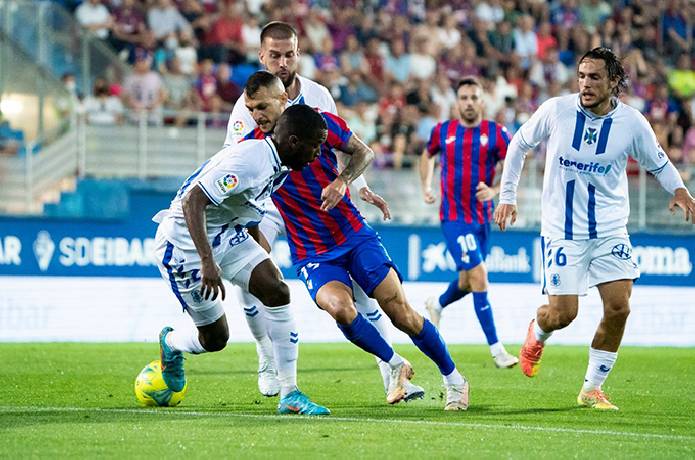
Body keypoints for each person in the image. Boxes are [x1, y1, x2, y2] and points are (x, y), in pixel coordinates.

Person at [241, 77, 470, 411]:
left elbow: (364, 152)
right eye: (250, 109)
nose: (256, 114)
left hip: (352, 233)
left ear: (281, 98)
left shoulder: (318, 122)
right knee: (340, 309)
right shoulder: (254, 149)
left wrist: (342, 180)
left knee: (400, 313)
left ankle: (454, 380)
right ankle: (395, 365)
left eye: (262, 106)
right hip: (312, 252)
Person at [494, 47, 695, 410]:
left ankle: (591, 388)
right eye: (582, 76)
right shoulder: (556, 111)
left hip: (610, 230)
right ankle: (538, 331)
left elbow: (659, 163)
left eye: (595, 77)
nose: (585, 84)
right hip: (562, 231)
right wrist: (507, 196)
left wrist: (680, 189)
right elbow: (518, 145)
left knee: (619, 308)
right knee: (563, 315)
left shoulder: (632, 123)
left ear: (613, 82)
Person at [224, 21, 411, 401]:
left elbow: (341, 146)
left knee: (361, 288)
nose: (282, 62)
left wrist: (357, 187)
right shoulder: (246, 108)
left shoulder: (319, 95)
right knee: (249, 272)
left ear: (298, 53)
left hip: (316, 201)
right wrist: (243, 216)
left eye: (289, 54)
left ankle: (390, 371)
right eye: (274, 55)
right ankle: (265, 355)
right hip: (268, 204)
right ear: (261, 56)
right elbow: (234, 162)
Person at [152, 85, 330, 416]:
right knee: (215, 339)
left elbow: (242, 208)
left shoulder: (279, 164)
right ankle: (172, 343)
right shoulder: (251, 160)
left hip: (224, 234)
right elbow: (193, 200)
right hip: (184, 245)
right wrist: (207, 260)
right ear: (293, 142)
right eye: (316, 146)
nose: (318, 154)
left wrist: (256, 255)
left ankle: (289, 393)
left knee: (276, 288)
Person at [419, 77, 519, 369]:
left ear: (482, 101)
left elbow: (514, 165)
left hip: (481, 219)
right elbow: (427, 155)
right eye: (464, 98)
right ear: (456, 102)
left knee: (466, 280)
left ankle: (436, 304)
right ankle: (497, 350)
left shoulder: (497, 133)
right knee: (479, 277)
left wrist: (497, 191)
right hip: (453, 218)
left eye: (474, 97)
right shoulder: (443, 131)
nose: (469, 103)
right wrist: (427, 185)